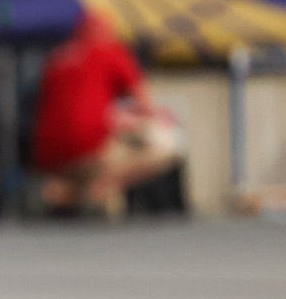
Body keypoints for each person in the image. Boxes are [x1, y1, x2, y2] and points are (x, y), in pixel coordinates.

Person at [33, 11, 182, 217]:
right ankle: (97, 190)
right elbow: (147, 108)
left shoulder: (56, 57)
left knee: (103, 146)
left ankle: (65, 191)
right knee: (166, 145)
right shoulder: (110, 51)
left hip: (46, 154)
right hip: (89, 150)